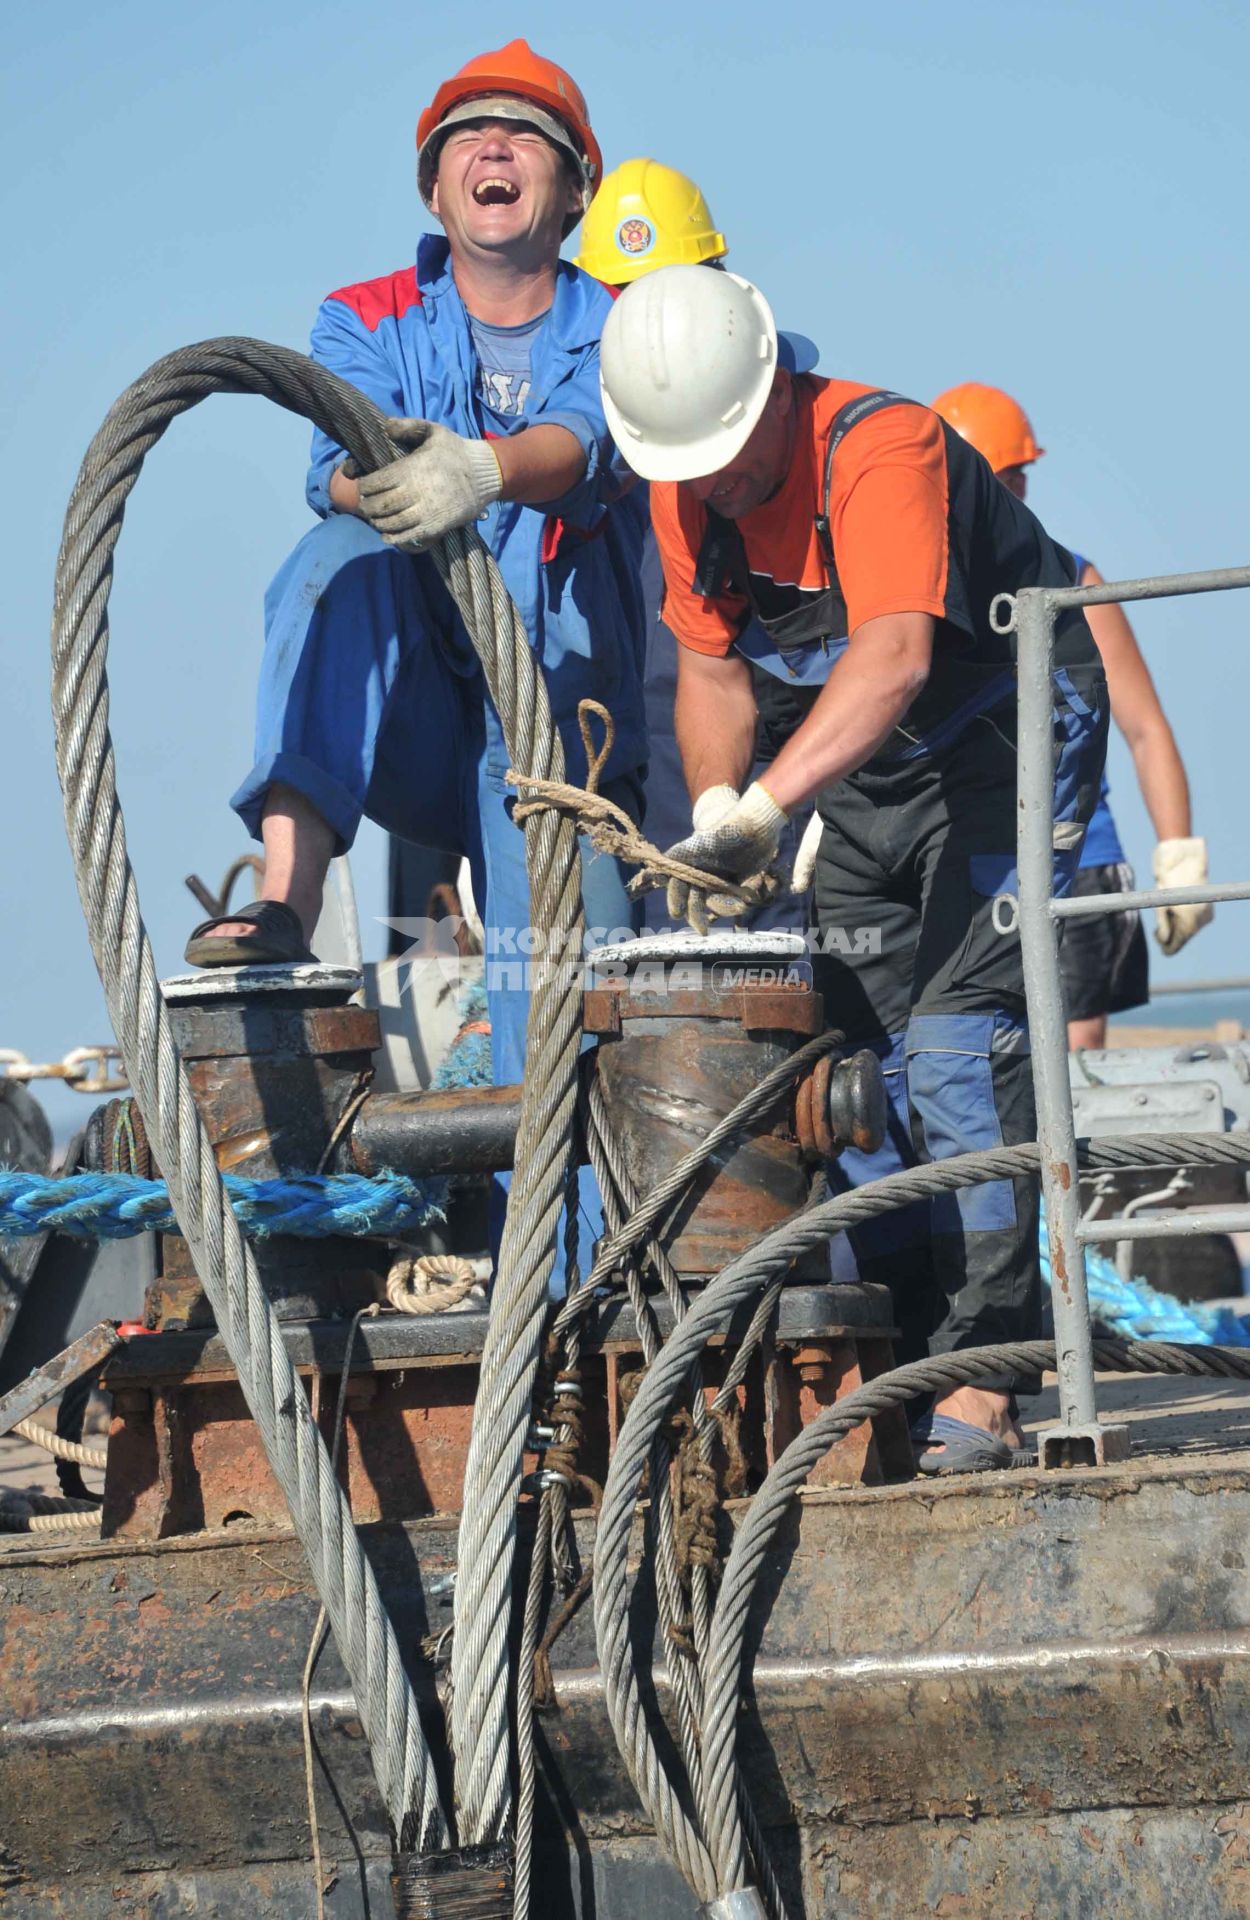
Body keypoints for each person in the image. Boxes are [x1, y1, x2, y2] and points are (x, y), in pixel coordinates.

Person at [599, 266, 1108, 1471]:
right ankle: (898, 1354)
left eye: (721, 456)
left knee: (956, 1049)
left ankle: (987, 1374)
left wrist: (768, 803)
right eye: (685, 467)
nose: (708, 482)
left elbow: (885, 659)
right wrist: (721, 799)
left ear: (773, 387)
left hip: (1006, 739)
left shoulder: (882, 451)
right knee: (857, 1066)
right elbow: (714, 676)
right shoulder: (683, 490)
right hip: (873, 773)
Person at [184, 40, 648, 1262]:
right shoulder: (366, 315)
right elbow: (329, 464)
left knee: (560, 1001)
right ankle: (286, 896)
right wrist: (373, 477)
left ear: (574, 186)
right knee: (332, 563)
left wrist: (488, 468)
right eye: (466, 138)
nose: (493, 149)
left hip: (551, 724)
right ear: (436, 192)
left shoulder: (623, 327)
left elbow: (592, 442)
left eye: (525, 135)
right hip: (410, 704)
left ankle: (568, 1299)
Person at [576, 158, 821, 931]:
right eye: (621, 297)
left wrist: (829, 801)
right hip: (643, 770)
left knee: (779, 973)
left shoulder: (776, 412)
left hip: (774, 759)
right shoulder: (572, 445)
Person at [933, 382, 1211, 1048]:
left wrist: (1179, 859)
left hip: (1079, 856)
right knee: (974, 1057)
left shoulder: (1075, 581)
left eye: (1018, 477)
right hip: (964, 857)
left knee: (1074, 1068)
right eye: (1007, 476)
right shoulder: (922, 592)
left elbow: (1145, 730)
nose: (1016, 492)